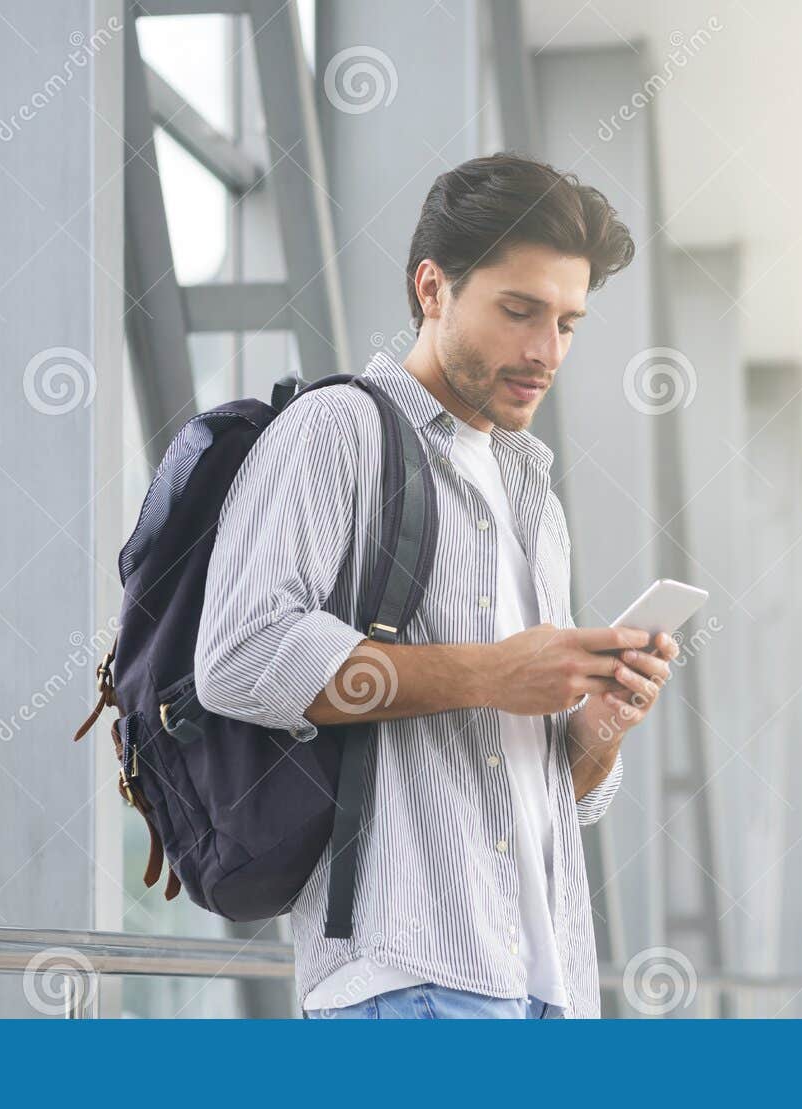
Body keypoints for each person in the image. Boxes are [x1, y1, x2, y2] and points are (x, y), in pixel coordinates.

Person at [193, 152, 681, 1019]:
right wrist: (495, 672)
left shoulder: (530, 490)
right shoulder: (338, 430)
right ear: (432, 288)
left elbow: (536, 790)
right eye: (519, 311)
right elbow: (238, 654)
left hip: (546, 986)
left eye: (568, 323)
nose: (545, 351)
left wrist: (596, 730)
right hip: (408, 984)